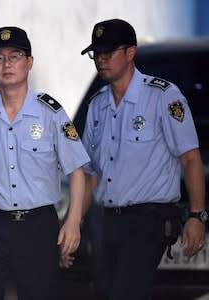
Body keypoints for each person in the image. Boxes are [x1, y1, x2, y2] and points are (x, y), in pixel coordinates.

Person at [80, 19, 207, 300]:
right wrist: (73, 221)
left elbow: (190, 158)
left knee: (125, 293)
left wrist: (197, 215)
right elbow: (90, 173)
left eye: (107, 52)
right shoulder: (97, 105)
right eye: (96, 54)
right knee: (104, 293)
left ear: (130, 52)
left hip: (147, 220)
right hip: (106, 222)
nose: (100, 60)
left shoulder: (162, 97)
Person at [0, 26, 90, 300]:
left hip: (37, 227)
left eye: (15, 56)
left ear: (29, 62)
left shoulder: (51, 113)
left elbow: (77, 170)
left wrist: (73, 221)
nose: (6, 64)